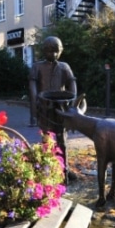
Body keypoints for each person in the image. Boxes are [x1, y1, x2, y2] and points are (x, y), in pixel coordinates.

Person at [28, 36, 77, 180]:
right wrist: (35, 105)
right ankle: (48, 171)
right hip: (45, 109)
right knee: (47, 140)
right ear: (44, 51)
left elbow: (71, 83)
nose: (54, 55)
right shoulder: (37, 67)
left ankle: (64, 170)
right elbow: (33, 87)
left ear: (61, 51)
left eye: (56, 51)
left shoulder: (64, 67)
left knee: (62, 140)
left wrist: (72, 104)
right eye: (50, 51)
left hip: (60, 108)